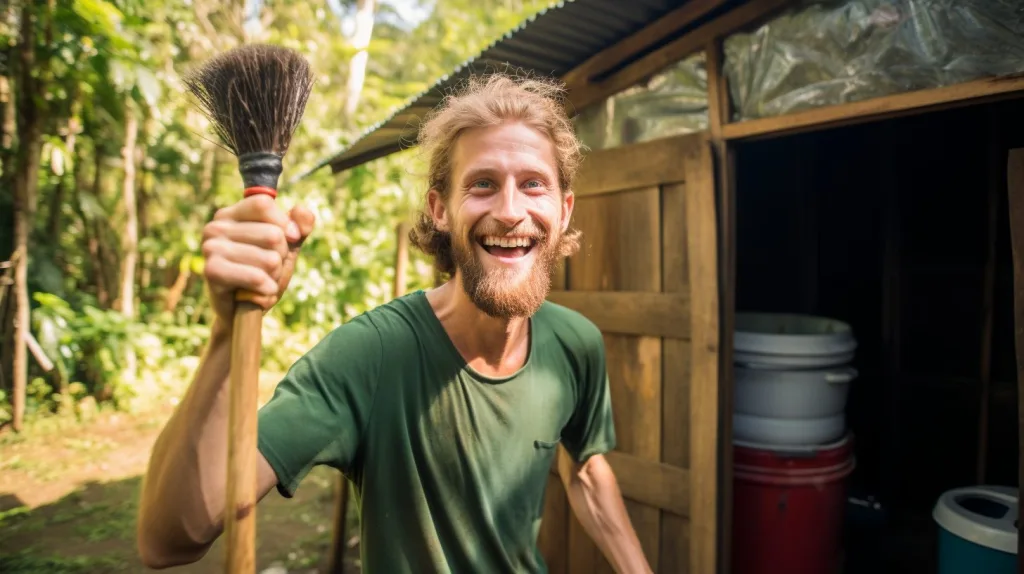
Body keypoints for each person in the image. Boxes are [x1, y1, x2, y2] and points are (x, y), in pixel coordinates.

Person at [136, 73, 652, 573]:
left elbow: (585, 470)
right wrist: (227, 334)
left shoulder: (576, 344)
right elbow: (169, 540)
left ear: (563, 210)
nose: (511, 211)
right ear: (440, 209)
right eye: (483, 185)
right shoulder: (370, 356)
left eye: (533, 184)